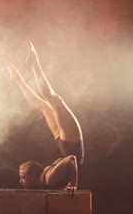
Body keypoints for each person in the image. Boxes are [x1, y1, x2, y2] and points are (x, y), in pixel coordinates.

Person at [8, 40, 84, 198]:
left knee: (45, 103)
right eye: (22, 177)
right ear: (34, 176)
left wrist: (73, 185)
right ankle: (29, 68)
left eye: (22, 178)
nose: (21, 182)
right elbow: (71, 159)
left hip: (68, 144)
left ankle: (21, 75)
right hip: (69, 146)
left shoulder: (48, 179)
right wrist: (73, 185)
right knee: (51, 99)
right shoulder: (48, 179)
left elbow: (71, 158)